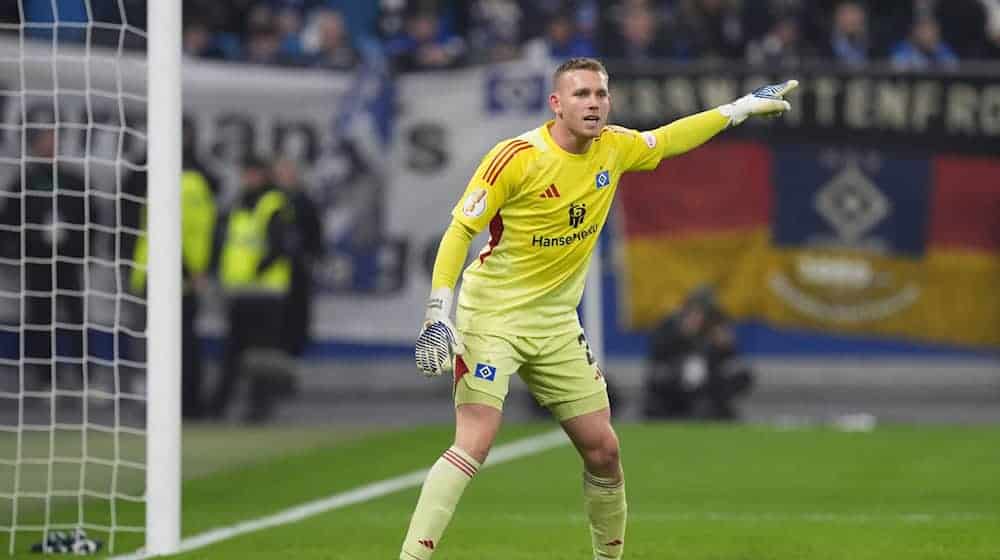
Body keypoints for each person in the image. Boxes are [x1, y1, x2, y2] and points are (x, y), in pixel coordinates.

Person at [401, 57, 797, 560]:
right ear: (556, 104)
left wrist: (738, 109)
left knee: (604, 451)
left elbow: (670, 138)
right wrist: (439, 308)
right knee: (475, 441)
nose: (593, 104)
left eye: (600, 95)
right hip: (492, 318)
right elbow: (460, 231)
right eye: (581, 95)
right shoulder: (516, 158)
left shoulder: (614, 147)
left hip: (557, 326)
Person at [127, 134, 218, 420]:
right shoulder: (191, 184)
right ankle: (183, 402)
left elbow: (181, 233)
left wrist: (191, 271)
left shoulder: (180, 184)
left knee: (165, 343)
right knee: (179, 342)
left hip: (166, 274)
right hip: (168, 273)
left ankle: (173, 403)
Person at [210, 155, 294, 422]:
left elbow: (279, 247)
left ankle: (260, 406)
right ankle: (221, 404)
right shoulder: (240, 203)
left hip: (266, 291)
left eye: (252, 173)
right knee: (235, 350)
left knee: (262, 353)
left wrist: (256, 270)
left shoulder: (273, 204)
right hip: (241, 290)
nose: (247, 178)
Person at [643, 288, 754, 420]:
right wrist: (683, 336)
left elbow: (737, 372)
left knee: (711, 407)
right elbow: (656, 370)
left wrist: (724, 347)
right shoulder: (669, 328)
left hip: (706, 394)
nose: (699, 318)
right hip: (670, 394)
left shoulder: (715, 331)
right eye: (694, 311)